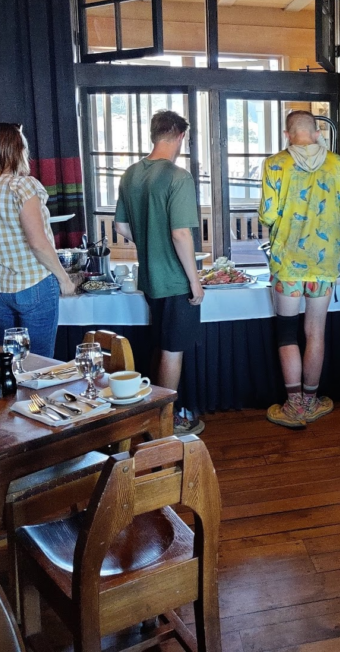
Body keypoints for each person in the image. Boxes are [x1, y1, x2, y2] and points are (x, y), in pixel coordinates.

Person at [258, 111, 340, 429]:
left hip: (287, 263)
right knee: (316, 332)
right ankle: (313, 402)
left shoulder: (274, 164)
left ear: (288, 134)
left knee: (287, 332)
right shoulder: (336, 164)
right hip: (324, 263)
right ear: (316, 132)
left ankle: (294, 405)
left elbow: (268, 215)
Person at [114, 110, 205, 436]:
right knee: (171, 350)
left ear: (154, 135)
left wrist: (149, 240)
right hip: (175, 278)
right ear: (181, 136)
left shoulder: (131, 174)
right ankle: (163, 425)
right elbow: (182, 235)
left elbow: (120, 225)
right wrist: (195, 281)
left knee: (161, 344)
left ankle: (152, 414)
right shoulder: (178, 177)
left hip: (150, 277)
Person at [0, 123, 75, 357]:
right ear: (19, 150)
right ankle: (36, 397)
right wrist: (64, 279)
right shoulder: (21, 186)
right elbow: (38, 243)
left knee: (8, 364)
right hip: (33, 282)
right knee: (38, 364)